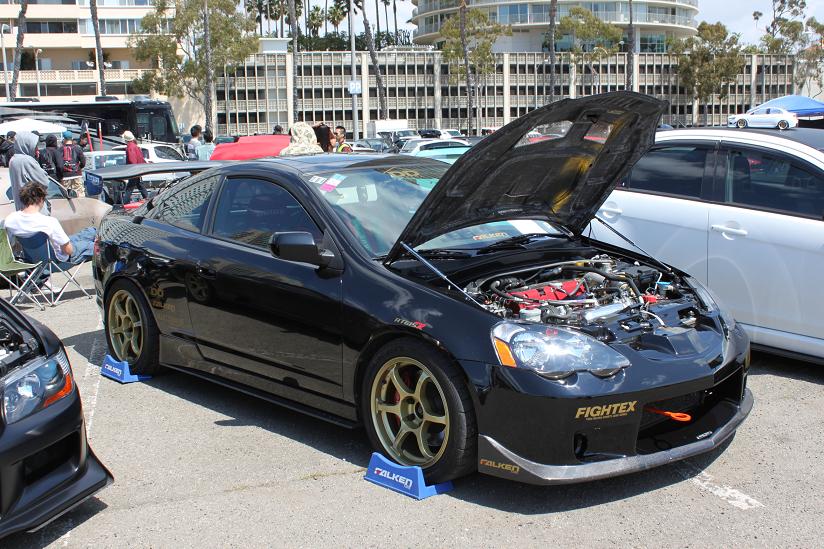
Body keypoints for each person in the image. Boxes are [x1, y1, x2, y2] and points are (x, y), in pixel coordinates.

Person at [5, 182, 96, 264]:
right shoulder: (49, 222)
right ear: (41, 199)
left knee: (90, 232)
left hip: (32, 259)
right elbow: (68, 250)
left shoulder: (10, 220)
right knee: (94, 245)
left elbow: (10, 246)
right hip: (56, 260)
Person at [8, 131, 50, 211]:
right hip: (34, 207)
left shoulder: (14, 159)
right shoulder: (26, 160)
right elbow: (45, 181)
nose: (37, 150)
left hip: (22, 207)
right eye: (34, 147)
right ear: (26, 145)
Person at [122, 130, 148, 204]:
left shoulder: (130, 147)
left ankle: (125, 203)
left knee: (129, 188)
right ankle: (147, 199)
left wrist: (132, 170)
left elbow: (132, 160)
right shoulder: (135, 146)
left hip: (134, 170)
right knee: (140, 185)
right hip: (138, 169)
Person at [57, 131, 86, 197]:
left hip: (65, 175)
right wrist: (78, 168)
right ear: (72, 138)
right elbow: (83, 162)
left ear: (64, 139)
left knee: (65, 195)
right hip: (76, 174)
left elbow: (58, 164)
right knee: (79, 193)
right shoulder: (77, 148)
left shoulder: (60, 150)